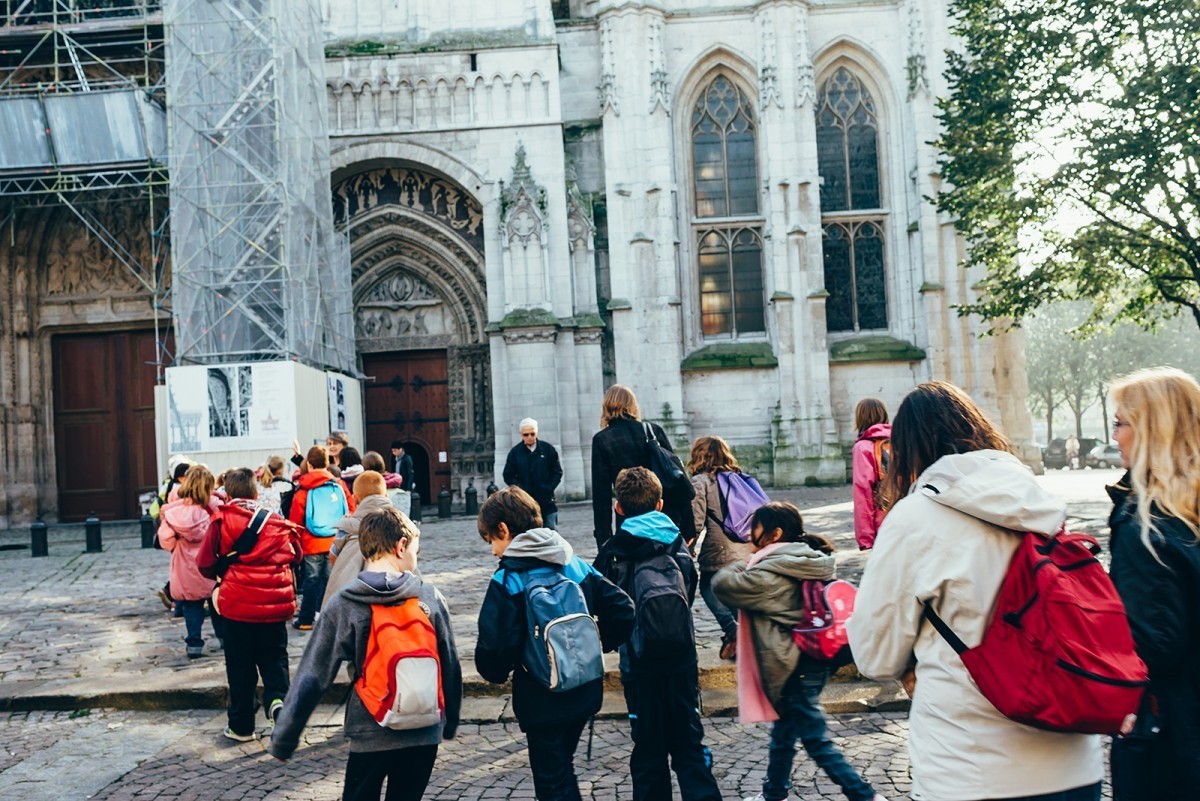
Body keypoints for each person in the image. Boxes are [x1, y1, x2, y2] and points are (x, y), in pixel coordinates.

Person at [846, 382, 1103, 801]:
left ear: (908, 449)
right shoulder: (1039, 501)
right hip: (1074, 763)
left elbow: (874, 655)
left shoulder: (913, 518)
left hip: (970, 768)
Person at [269, 508, 462, 801]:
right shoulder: (429, 597)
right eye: (415, 551)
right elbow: (450, 662)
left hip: (371, 727)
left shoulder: (344, 603)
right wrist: (451, 719)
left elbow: (313, 674)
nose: (415, 558)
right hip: (424, 728)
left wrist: (285, 738)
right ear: (400, 546)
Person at [713, 502, 885, 801]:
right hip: (810, 660)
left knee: (816, 742)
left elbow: (723, 584)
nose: (750, 533)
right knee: (783, 734)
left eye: (756, 526)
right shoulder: (802, 559)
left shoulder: (770, 573)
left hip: (794, 665)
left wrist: (750, 560)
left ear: (775, 533)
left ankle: (865, 796)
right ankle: (774, 793)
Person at [475, 486, 634, 801]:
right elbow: (623, 609)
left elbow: (494, 647)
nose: (493, 550)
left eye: (491, 539)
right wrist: (594, 644)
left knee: (552, 782)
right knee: (561, 770)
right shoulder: (573, 562)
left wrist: (497, 671)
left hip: (541, 695)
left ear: (504, 530)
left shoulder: (508, 579)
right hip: (585, 689)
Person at [595, 467, 722, 801]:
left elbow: (604, 606)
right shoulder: (677, 544)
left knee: (649, 750)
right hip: (681, 660)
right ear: (661, 503)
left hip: (639, 665)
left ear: (618, 508)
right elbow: (689, 593)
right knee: (689, 745)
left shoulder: (613, 551)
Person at [1105, 368, 1200, 799]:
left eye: (1121, 423)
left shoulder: (1145, 525)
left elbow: (1153, 645)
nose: (1115, 435)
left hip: (1173, 734)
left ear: (1150, 431)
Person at [197, 467, 303, 742]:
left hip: (238, 606)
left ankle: (242, 726)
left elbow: (205, 563)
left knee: (240, 665)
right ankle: (278, 702)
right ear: (256, 493)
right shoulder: (275, 519)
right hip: (274, 603)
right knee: (275, 657)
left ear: (228, 494)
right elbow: (297, 554)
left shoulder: (221, 520)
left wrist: (223, 574)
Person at [591, 384, 693, 548]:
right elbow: (676, 477)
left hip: (628, 519)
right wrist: (689, 528)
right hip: (661, 514)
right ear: (632, 405)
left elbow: (600, 495)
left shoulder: (602, 440)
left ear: (606, 407)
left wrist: (604, 539)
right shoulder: (653, 431)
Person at [688, 435, 754, 660]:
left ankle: (733, 631)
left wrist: (689, 546)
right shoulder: (740, 477)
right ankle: (744, 634)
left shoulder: (701, 481)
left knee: (708, 587)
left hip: (720, 551)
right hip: (747, 548)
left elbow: (695, 522)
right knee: (736, 593)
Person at [157, 464, 223, 658]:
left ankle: (194, 643)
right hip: (211, 563)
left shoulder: (174, 512)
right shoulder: (216, 507)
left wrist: (176, 545)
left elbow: (165, 538)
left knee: (192, 606)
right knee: (216, 604)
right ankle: (224, 639)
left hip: (186, 565)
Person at [288, 445, 356, 631]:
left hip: (312, 541)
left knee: (311, 580)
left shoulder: (303, 489)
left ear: (309, 464)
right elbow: (351, 509)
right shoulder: (338, 484)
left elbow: (295, 521)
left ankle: (306, 620)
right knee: (331, 580)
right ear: (327, 464)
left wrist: (297, 542)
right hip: (335, 539)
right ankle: (331, 618)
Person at [324, 471, 397, 607]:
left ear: (355, 499)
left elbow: (333, 556)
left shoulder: (347, 526)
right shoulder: (400, 523)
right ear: (386, 496)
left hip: (353, 590)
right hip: (394, 590)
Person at [502, 417, 564, 530]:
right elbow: (508, 475)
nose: (530, 437)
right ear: (521, 434)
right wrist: (521, 489)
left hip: (546, 501)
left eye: (532, 433)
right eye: (526, 435)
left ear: (536, 432)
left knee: (551, 532)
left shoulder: (548, 449)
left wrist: (548, 487)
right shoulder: (515, 453)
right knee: (529, 534)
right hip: (525, 503)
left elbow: (557, 472)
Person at [850, 398, 891, 551]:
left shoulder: (863, 447)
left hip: (882, 522)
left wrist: (866, 538)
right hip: (907, 517)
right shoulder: (901, 440)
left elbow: (863, 492)